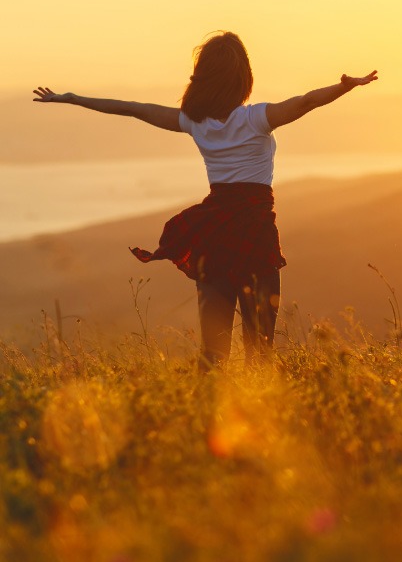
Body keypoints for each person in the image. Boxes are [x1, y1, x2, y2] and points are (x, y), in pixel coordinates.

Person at [33, 31, 378, 369]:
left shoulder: (194, 122)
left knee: (213, 354)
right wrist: (344, 88)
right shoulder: (256, 118)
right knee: (260, 352)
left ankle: (203, 417)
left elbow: (132, 108)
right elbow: (305, 101)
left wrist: (73, 98)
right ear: (242, 78)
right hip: (255, 237)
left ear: (203, 78)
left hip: (212, 236)